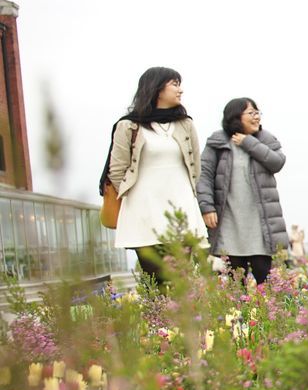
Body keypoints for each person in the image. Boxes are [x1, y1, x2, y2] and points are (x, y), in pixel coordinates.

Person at [105, 67, 206, 283]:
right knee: (155, 279)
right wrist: (134, 195)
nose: (181, 90)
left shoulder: (185, 124)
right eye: (175, 84)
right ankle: (158, 317)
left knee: (180, 277)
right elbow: (117, 169)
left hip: (181, 208)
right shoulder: (128, 125)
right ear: (157, 89)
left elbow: (196, 166)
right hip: (144, 210)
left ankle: (180, 317)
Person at [197, 98, 288, 285]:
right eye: (251, 113)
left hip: (261, 226)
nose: (256, 117)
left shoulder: (265, 140)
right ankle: (238, 316)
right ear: (236, 116)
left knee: (268, 283)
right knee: (235, 285)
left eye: (257, 113)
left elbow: (276, 162)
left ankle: (266, 315)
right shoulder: (218, 142)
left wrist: (248, 143)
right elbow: (203, 176)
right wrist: (206, 207)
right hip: (229, 225)